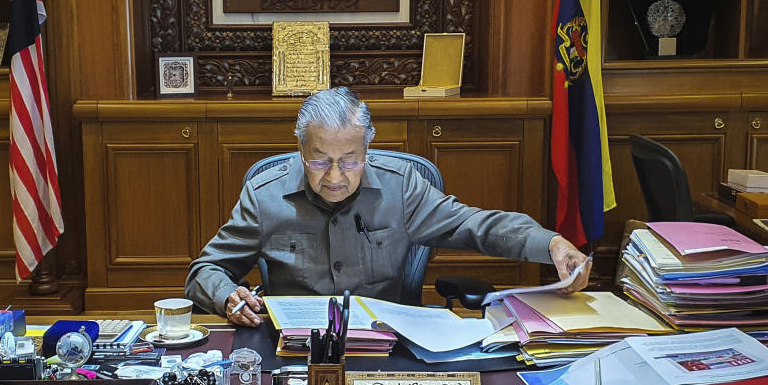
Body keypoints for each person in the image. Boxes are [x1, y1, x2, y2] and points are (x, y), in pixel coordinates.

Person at [185, 87, 591, 327]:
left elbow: (476, 225)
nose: (335, 177)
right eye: (320, 160)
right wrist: (227, 297)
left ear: (368, 148)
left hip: (389, 346)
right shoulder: (265, 194)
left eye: (349, 160)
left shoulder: (402, 188)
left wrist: (551, 243)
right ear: (300, 149)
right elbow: (205, 271)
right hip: (297, 351)